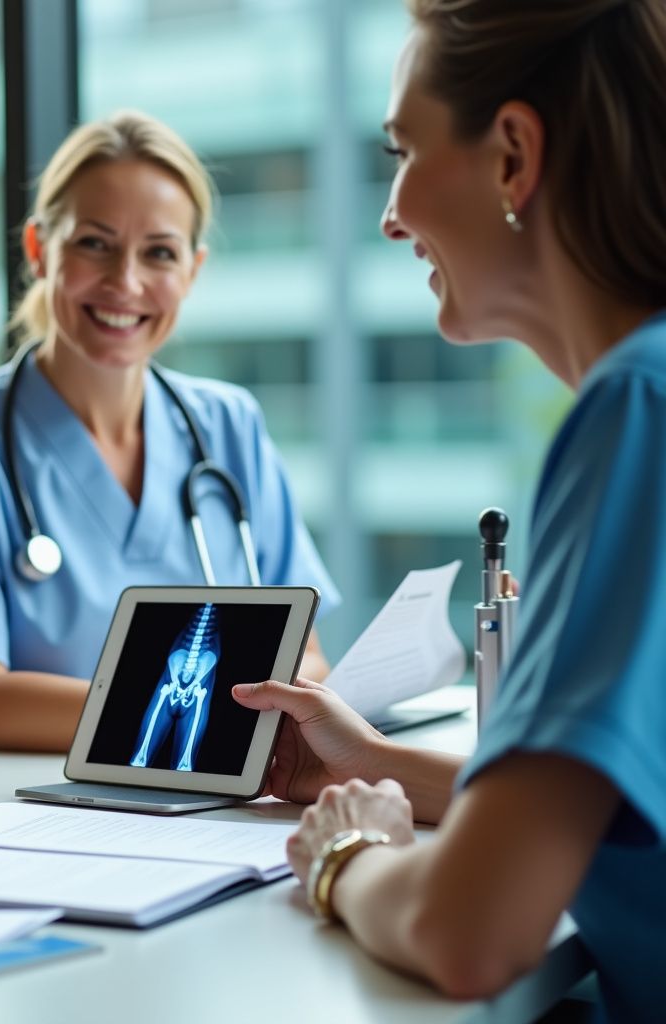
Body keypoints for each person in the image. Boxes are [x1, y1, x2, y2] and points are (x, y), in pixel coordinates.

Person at [229, 2, 666, 1019]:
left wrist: (344, 857)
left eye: (403, 151)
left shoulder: (638, 408)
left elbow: (471, 928)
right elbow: (576, 799)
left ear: (514, 155)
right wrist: (375, 765)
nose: (390, 213)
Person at [0, 111, 339, 767]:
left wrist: (213, 727)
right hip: (10, 818)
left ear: (193, 270)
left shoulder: (229, 425)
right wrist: (219, 717)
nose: (126, 281)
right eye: (94, 244)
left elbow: (308, 655)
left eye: (159, 252)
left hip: (203, 795)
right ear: (39, 250)